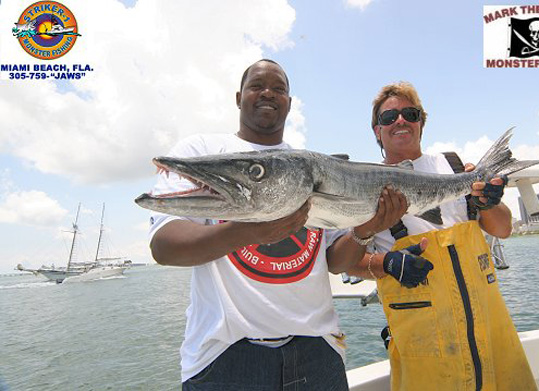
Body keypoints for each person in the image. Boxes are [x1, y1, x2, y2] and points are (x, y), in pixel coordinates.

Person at [147, 59, 406, 390]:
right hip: (226, 358)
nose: (268, 93)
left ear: (290, 102)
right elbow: (165, 247)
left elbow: (336, 262)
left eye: (279, 88)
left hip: (319, 351)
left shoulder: (317, 166)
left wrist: (366, 230)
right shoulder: (201, 151)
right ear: (239, 97)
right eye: (257, 86)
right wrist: (250, 231)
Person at [346, 82, 536, 390]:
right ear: (376, 131)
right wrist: (389, 264)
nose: (400, 121)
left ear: (421, 121)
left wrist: (490, 201)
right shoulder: (364, 185)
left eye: (410, 113)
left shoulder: (455, 166)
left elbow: (503, 229)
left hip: (489, 328)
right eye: (388, 117)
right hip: (424, 341)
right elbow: (349, 262)